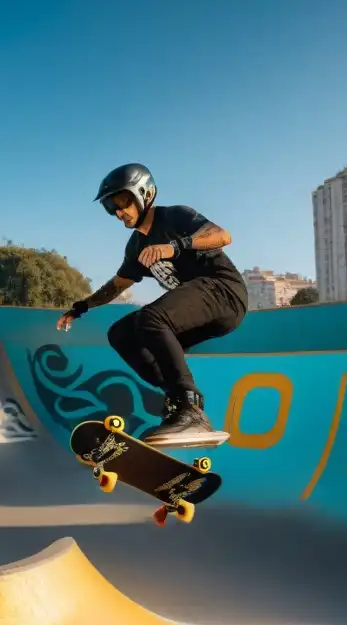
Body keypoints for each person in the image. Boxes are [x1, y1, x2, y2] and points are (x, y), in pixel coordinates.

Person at [56, 163, 248, 444]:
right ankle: (178, 403)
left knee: (151, 319)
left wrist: (175, 246)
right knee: (122, 334)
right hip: (199, 309)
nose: (120, 212)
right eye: (112, 207)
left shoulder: (175, 217)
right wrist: (81, 307)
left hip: (224, 292)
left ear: (145, 194)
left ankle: (190, 407)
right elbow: (116, 286)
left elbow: (223, 236)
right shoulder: (135, 247)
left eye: (123, 202)